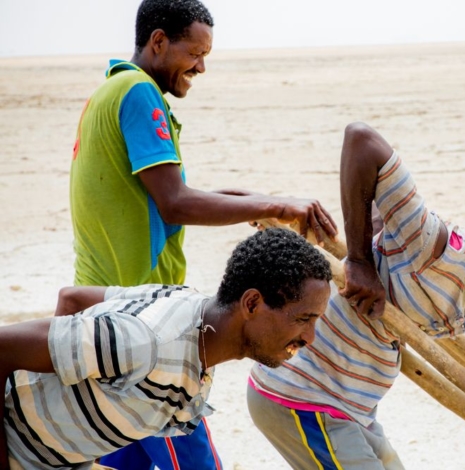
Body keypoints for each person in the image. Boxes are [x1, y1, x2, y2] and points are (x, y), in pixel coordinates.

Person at [69, 0, 337, 467]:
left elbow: (163, 198)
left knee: (121, 461)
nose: (202, 66)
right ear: (158, 42)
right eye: (194, 53)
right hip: (142, 323)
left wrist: (252, 202)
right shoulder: (138, 92)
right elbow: (177, 202)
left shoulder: (107, 93)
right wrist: (274, 205)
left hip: (104, 311)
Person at [247, 122, 465, 469]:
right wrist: (359, 261)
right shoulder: (435, 248)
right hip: (303, 394)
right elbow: (361, 140)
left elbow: (383, 220)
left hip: (355, 409)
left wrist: (377, 236)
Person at [0, 229, 332, 470]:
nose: (311, 337)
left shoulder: (189, 308)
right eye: (304, 319)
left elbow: (74, 298)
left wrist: (74, 404)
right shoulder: (146, 342)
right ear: (253, 303)